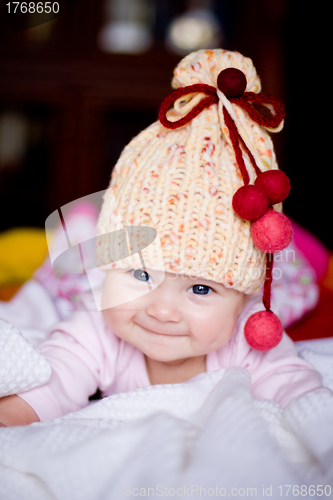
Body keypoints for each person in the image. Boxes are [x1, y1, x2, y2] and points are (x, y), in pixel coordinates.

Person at [0, 48, 330, 427]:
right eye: (141, 275)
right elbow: (55, 378)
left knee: (303, 266)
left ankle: (298, 245)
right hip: (98, 236)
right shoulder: (99, 328)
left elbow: (297, 391)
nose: (161, 311)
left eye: (201, 290)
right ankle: (82, 225)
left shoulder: (247, 336)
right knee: (57, 256)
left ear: (242, 301)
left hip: (280, 252)